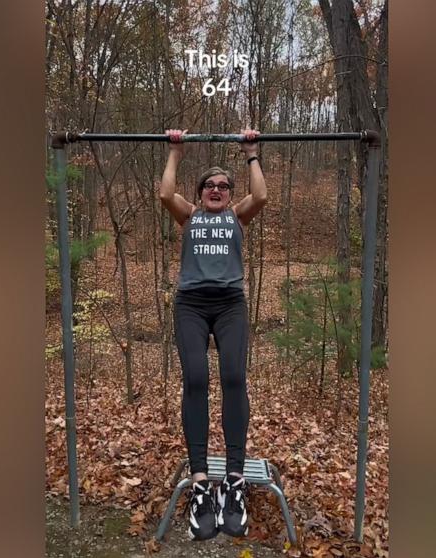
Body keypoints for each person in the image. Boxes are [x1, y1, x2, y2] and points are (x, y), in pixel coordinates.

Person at [159, 128, 267, 540]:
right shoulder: (190, 215)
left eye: (224, 186)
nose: (217, 190)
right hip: (190, 304)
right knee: (196, 380)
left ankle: (234, 480)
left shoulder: (238, 215)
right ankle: (202, 481)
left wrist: (251, 153)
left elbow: (261, 197)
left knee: (235, 379)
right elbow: (166, 194)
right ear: (201, 191)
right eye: (211, 185)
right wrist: (175, 152)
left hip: (229, 306)